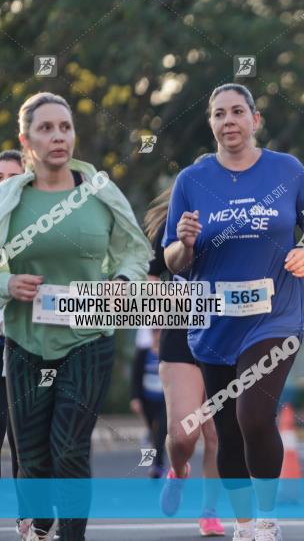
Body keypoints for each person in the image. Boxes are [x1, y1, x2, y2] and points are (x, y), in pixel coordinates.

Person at [163, 83, 304, 541]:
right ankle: (242, 524)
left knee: (254, 415)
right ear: (211, 123)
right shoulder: (191, 181)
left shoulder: (287, 170)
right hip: (213, 324)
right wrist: (186, 241)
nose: (229, 121)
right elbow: (175, 261)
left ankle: (267, 520)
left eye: (238, 112)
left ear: (255, 120)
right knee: (229, 432)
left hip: (275, 316)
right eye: (219, 114)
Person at [1, 92, 152, 541]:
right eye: (46, 129)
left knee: (69, 448)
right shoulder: (8, 198)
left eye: (64, 127)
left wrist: (122, 284)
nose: (58, 136)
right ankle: (39, 524)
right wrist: (6, 284)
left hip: (89, 338)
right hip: (26, 342)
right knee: (31, 457)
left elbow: (135, 251)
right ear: (27, 140)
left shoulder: (99, 191)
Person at [143, 178, 225, 537]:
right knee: (183, 435)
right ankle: (177, 470)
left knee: (217, 433)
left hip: (227, 333)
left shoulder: (244, 221)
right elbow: (150, 277)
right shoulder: (172, 222)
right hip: (181, 331)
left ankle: (209, 511)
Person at [0, 149, 24, 479]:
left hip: (27, 342)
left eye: (13, 178)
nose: (5, 184)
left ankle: (30, 522)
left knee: (25, 441)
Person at [130, 326, 166, 479]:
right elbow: (136, 377)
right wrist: (135, 398)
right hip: (148, 399)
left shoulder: (169, 353)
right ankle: (154, 456)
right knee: (153, 431)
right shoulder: (143, 352)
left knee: (161, 432)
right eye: (154, 330)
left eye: (159, 330)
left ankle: (158, 465)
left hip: (165, 400)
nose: (156, 333)